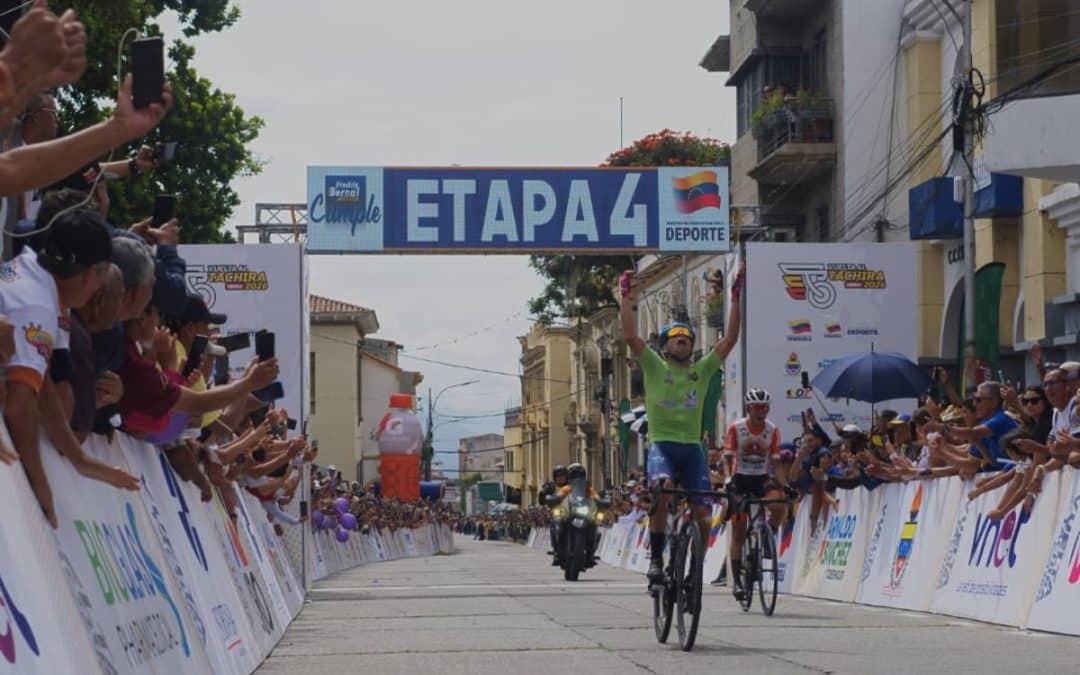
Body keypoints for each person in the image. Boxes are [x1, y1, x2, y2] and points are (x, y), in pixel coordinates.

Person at [618, 262, 744, 589]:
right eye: (674, 337)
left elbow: (730, 339)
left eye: (686, 336)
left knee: (704, 516)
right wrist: (625, 296)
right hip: (662, 445)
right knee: (662, 490)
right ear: (665, 346)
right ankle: (657, 559)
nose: (682, 339)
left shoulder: (701, 371)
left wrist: (735, 295)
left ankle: (696, 568)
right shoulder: (654, 367)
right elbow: (630, 335)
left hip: (693, 450)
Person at [723, 388, 791, 600]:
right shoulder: (736, 428)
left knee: (779, 504)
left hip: (761, 477)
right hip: (740, 478)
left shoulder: (773, 430)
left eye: (765, 407)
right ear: (748, 409)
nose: (761, 411)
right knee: (739, 532)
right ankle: (736, 582)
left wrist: (785, 484)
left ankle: (767, 534)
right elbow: (727, 458)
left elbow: (776, 463)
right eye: (757, 408)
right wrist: (726, 479)